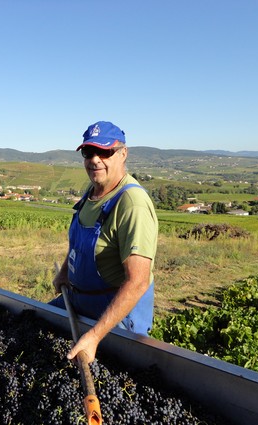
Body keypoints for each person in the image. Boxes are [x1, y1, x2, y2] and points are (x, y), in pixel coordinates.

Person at [50, 120, 158, 364]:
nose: (95, 159)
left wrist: (95, 336)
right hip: (79, 301)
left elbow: (138, 281)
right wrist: (65, 272)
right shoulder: (92, 192)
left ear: (123, 154)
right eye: (89, 152)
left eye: (105, 151)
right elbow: (80, 243)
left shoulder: (132, 203)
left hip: (113, 315)